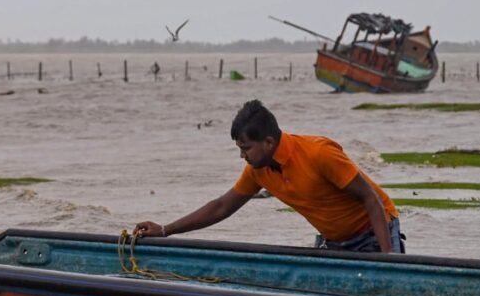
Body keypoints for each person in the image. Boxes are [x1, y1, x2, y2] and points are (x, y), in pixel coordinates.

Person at [134, 100, 404, 253]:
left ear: (268, 141)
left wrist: (388, 259)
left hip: (373, 232)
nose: (243, 157)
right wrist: (165, 230)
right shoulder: (259, 171)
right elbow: (221, 207)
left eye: (246, 149)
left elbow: (370, 199)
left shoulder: (318, 153)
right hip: (333, 240)